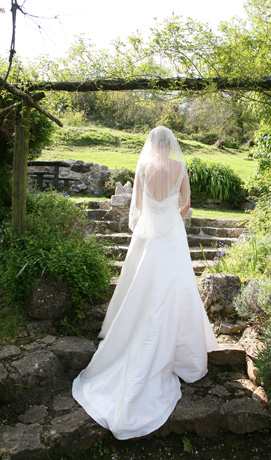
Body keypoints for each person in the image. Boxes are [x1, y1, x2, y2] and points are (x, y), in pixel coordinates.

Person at [73, 126, 219, 440]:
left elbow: (137, 206)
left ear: (153, 146)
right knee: (176, 287)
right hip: (172, 235)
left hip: (149, 234)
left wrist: (154, 213)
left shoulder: (143, 167)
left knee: (143, 287)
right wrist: (170, 214)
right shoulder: (180, 168)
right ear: (171, 146)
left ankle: (134, 338)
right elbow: (186, 204)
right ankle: (184, 356)